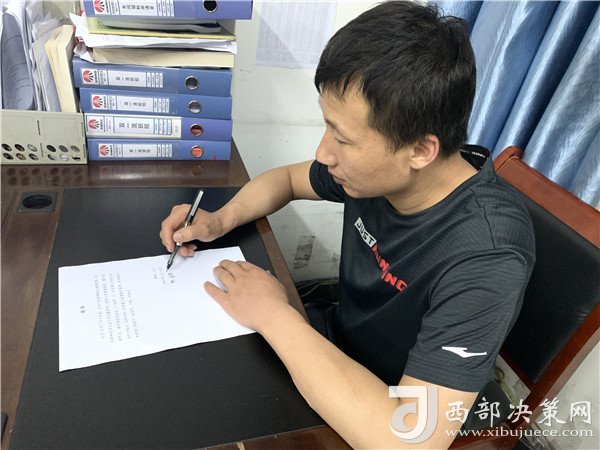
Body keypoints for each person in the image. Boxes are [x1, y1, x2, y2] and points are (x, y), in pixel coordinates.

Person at [159, 2, 535, 447]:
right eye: (327, 127)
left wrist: (273, 313)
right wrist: (220, 219)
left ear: (420, 150)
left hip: (382, 404)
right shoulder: (377, 174)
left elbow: (409, 438)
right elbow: (286, 180)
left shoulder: (488, 255)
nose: (324, 153)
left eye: (342, 138)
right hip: (334, 344)